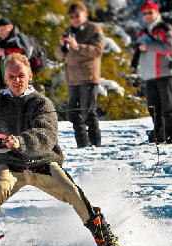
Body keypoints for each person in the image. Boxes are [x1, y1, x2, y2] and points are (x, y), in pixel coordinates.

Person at [0, 53, 131, 246]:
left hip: (42, 164)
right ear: (5, 78)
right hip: (10, 166)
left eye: (20, 75)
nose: (16, 80)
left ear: (29, 75)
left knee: (76, 195)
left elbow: (45, 135)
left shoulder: (41, 103)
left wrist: (20, 141)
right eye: (11, 77)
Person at [54, 2, 104, 148]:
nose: (74, 18)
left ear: (85, 14)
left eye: (77, 15)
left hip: (88, 77)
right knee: (74, 114)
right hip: (72, 78)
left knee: (88, 112)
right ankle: (82, 143)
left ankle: (95, 142)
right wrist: (62, 45)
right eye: (71, 16)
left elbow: (98, 50)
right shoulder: (68, 30)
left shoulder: (93, 28)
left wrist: (78, 46)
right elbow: (58, 55)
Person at [133, 1, 172, 144]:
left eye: (150, 12)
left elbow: (169, 47)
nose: (147, 15)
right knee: (154, 109)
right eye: (144, 13)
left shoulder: (165, 28)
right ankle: (160, 136)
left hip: (166, 73)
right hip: (149, 75)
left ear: (157, 13)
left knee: (169, 108)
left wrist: (146, 46)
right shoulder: (141, 33)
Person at [0, 18, 33, 89]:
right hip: (5, 82)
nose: (0, 33)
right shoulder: (2, 42)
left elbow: (25, 53)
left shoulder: (19, 37)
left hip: (20, 81)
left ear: (10, 27)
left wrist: (5, 52)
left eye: (2, 30)